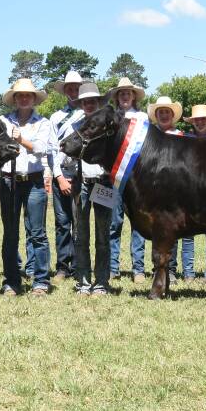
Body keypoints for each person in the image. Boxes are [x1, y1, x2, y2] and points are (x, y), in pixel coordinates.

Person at [0, 78, 58, 296]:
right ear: (14, 99)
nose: (24, 98)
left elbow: (42, 149)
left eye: (28, 95)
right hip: (9, 181)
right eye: (20, 95)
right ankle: (11, 281)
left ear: (34, 99)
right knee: (10, 233)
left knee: (37, 233)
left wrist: (21, 139)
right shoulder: (2, 121)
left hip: (34, 181)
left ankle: (41, 282)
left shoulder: (43, 123)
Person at [71, 82, 113, 296]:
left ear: (98, 103)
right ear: (81, 104)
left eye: (92, 101)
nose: (89, 104)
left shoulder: (109, 127)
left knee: (103, 235)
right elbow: (63, 153)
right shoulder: (75, 126)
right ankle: (83, 282)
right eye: (85, 102)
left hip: (103, 182)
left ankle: (102, 282)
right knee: (80, 235)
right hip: (81, 184)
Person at [105, 77, 147, 282]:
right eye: (121, 93)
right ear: (116, 97)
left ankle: (138, 269)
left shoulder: (143, 118)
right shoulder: (111, 118)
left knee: (138, 225)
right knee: (113, 224)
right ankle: (113, 267)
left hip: (137, 181)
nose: (124, 96)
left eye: (128, 93)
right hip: (112, 179)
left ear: (133, 96)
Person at [49, 71, 85, 281]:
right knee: (62, 223)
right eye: (69, 88)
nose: (73, 91)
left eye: (76, 88)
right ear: (64, 92)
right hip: (61, 175)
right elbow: (52, 150)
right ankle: (63, 265)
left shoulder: (88, 115)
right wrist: (59, 177)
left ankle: (80, 264)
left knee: (79, 223)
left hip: (82, 175)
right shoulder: (56, 117)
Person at [147, 95, 186, 279]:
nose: (164, 115)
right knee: (156, 230)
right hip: (153, 190)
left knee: (173, 230)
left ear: (172, 116)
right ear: (156, 115)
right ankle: (158, 268)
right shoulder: (149, 138)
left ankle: (171, 269)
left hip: (176, 191)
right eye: (160, 112)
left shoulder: (180, 137)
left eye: (167, 112)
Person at [182, 104, 206, 283]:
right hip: (189, 190)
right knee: (187, 234)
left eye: (203, 119)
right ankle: (188, 273)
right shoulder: (184, 140)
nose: (200, 122)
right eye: (197, 120)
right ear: (193, 122)